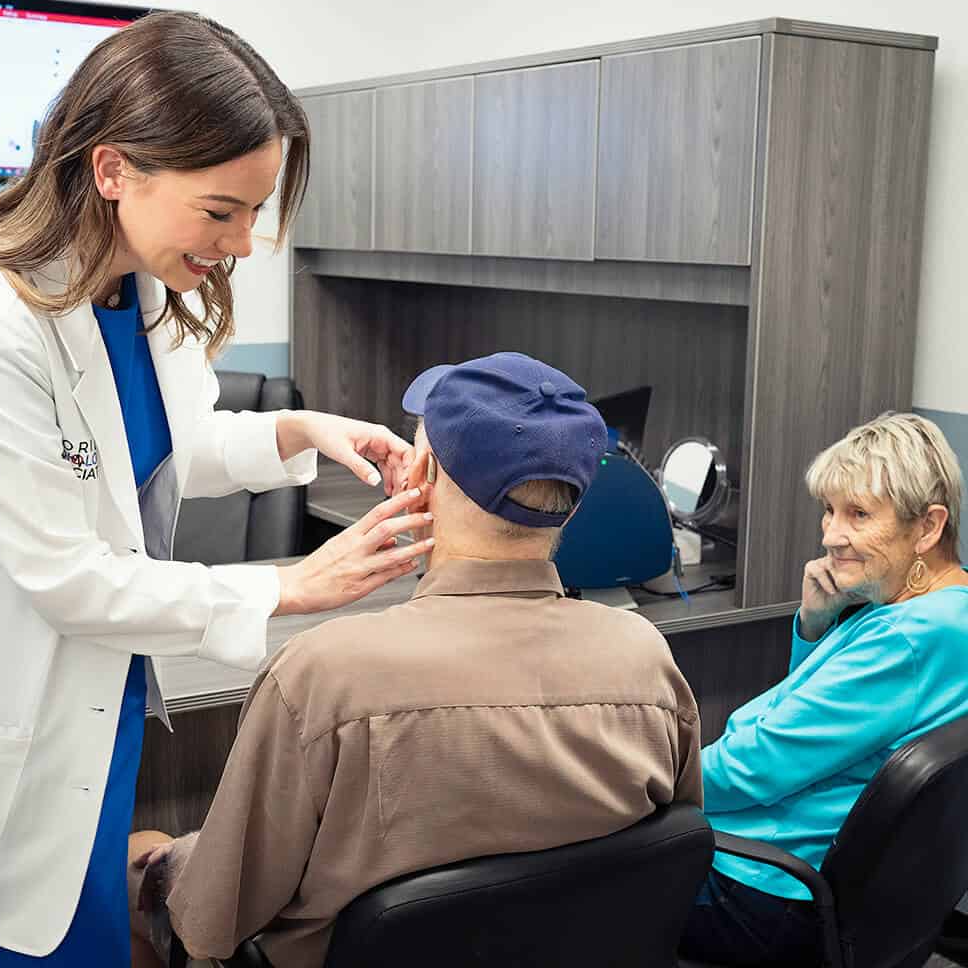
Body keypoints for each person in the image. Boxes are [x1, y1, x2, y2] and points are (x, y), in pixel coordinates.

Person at [0, 11, 434, 967]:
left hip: (97, 725)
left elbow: (165, 450)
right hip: (10, 719)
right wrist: (285, 586)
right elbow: (70, 577)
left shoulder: (141, 294)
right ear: (112, 171)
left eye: (255, 214)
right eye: (220, 211)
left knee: (83, 923)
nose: (242, 244)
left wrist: (303, 431)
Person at [127, 352, 703, 968]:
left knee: (136, 860)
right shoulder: (646, 661)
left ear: (419, 473)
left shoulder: (321, 678)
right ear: (575, 502)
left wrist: (163, 865)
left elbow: (211, 924)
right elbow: (668, 854)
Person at [679, 412, 968, 966]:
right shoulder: (937, 613)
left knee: (575, 880)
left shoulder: (903, 640)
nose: (833, 535)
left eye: (859, 514)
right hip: (839, 889)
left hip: (765, 888)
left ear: (928, 527)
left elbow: (757, 765)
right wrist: (816, 625)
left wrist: (647, 788)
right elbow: (814, 716)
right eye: (829, 511)